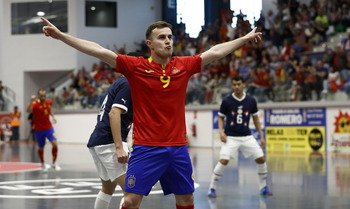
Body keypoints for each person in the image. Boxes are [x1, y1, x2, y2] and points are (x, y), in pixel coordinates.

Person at [41, 17, 262, 209]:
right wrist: (61, 36)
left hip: (177, 148)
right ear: (150, 44)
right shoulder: (135, 67)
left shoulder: (183, 65)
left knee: (186, 198)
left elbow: (215, 51)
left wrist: (243, 39)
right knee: (130, 201)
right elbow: (98, 50)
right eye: (162, 37)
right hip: (146, 148)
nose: (168, 41)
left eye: (170, 37)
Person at [87, 52, 141, 209]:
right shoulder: (129, 84)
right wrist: (119, 147)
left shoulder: (120, 83)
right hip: (109, 142)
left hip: (98, 141)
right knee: (131, 194)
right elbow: (114, 113)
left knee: (107, 189)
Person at [208, 76, 273, 198]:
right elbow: (221, 118)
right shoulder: (227, 101)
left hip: (247, 136)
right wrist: (221, 132)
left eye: (238, 84)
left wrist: (261, 136)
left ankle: (263, 187)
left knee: (261, 159)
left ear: (244, 85)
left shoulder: (251, 100)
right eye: (234, 85)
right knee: (223, 161)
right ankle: (212, 188)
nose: (236, 87)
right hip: (231, 137)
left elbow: (256, 119)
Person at [26, 89, 61, 172]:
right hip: (39, 129)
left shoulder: (48, 102)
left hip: (48, 128)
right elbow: (28, 110)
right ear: (38, 96)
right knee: (41, 148)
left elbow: (49, 110)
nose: (43, 97)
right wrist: (31, 101)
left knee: (55, 144)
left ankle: (54, 163)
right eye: (41, 96)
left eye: (44, 96)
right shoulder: (35, 104)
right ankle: (42, 163)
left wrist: (53, 117)